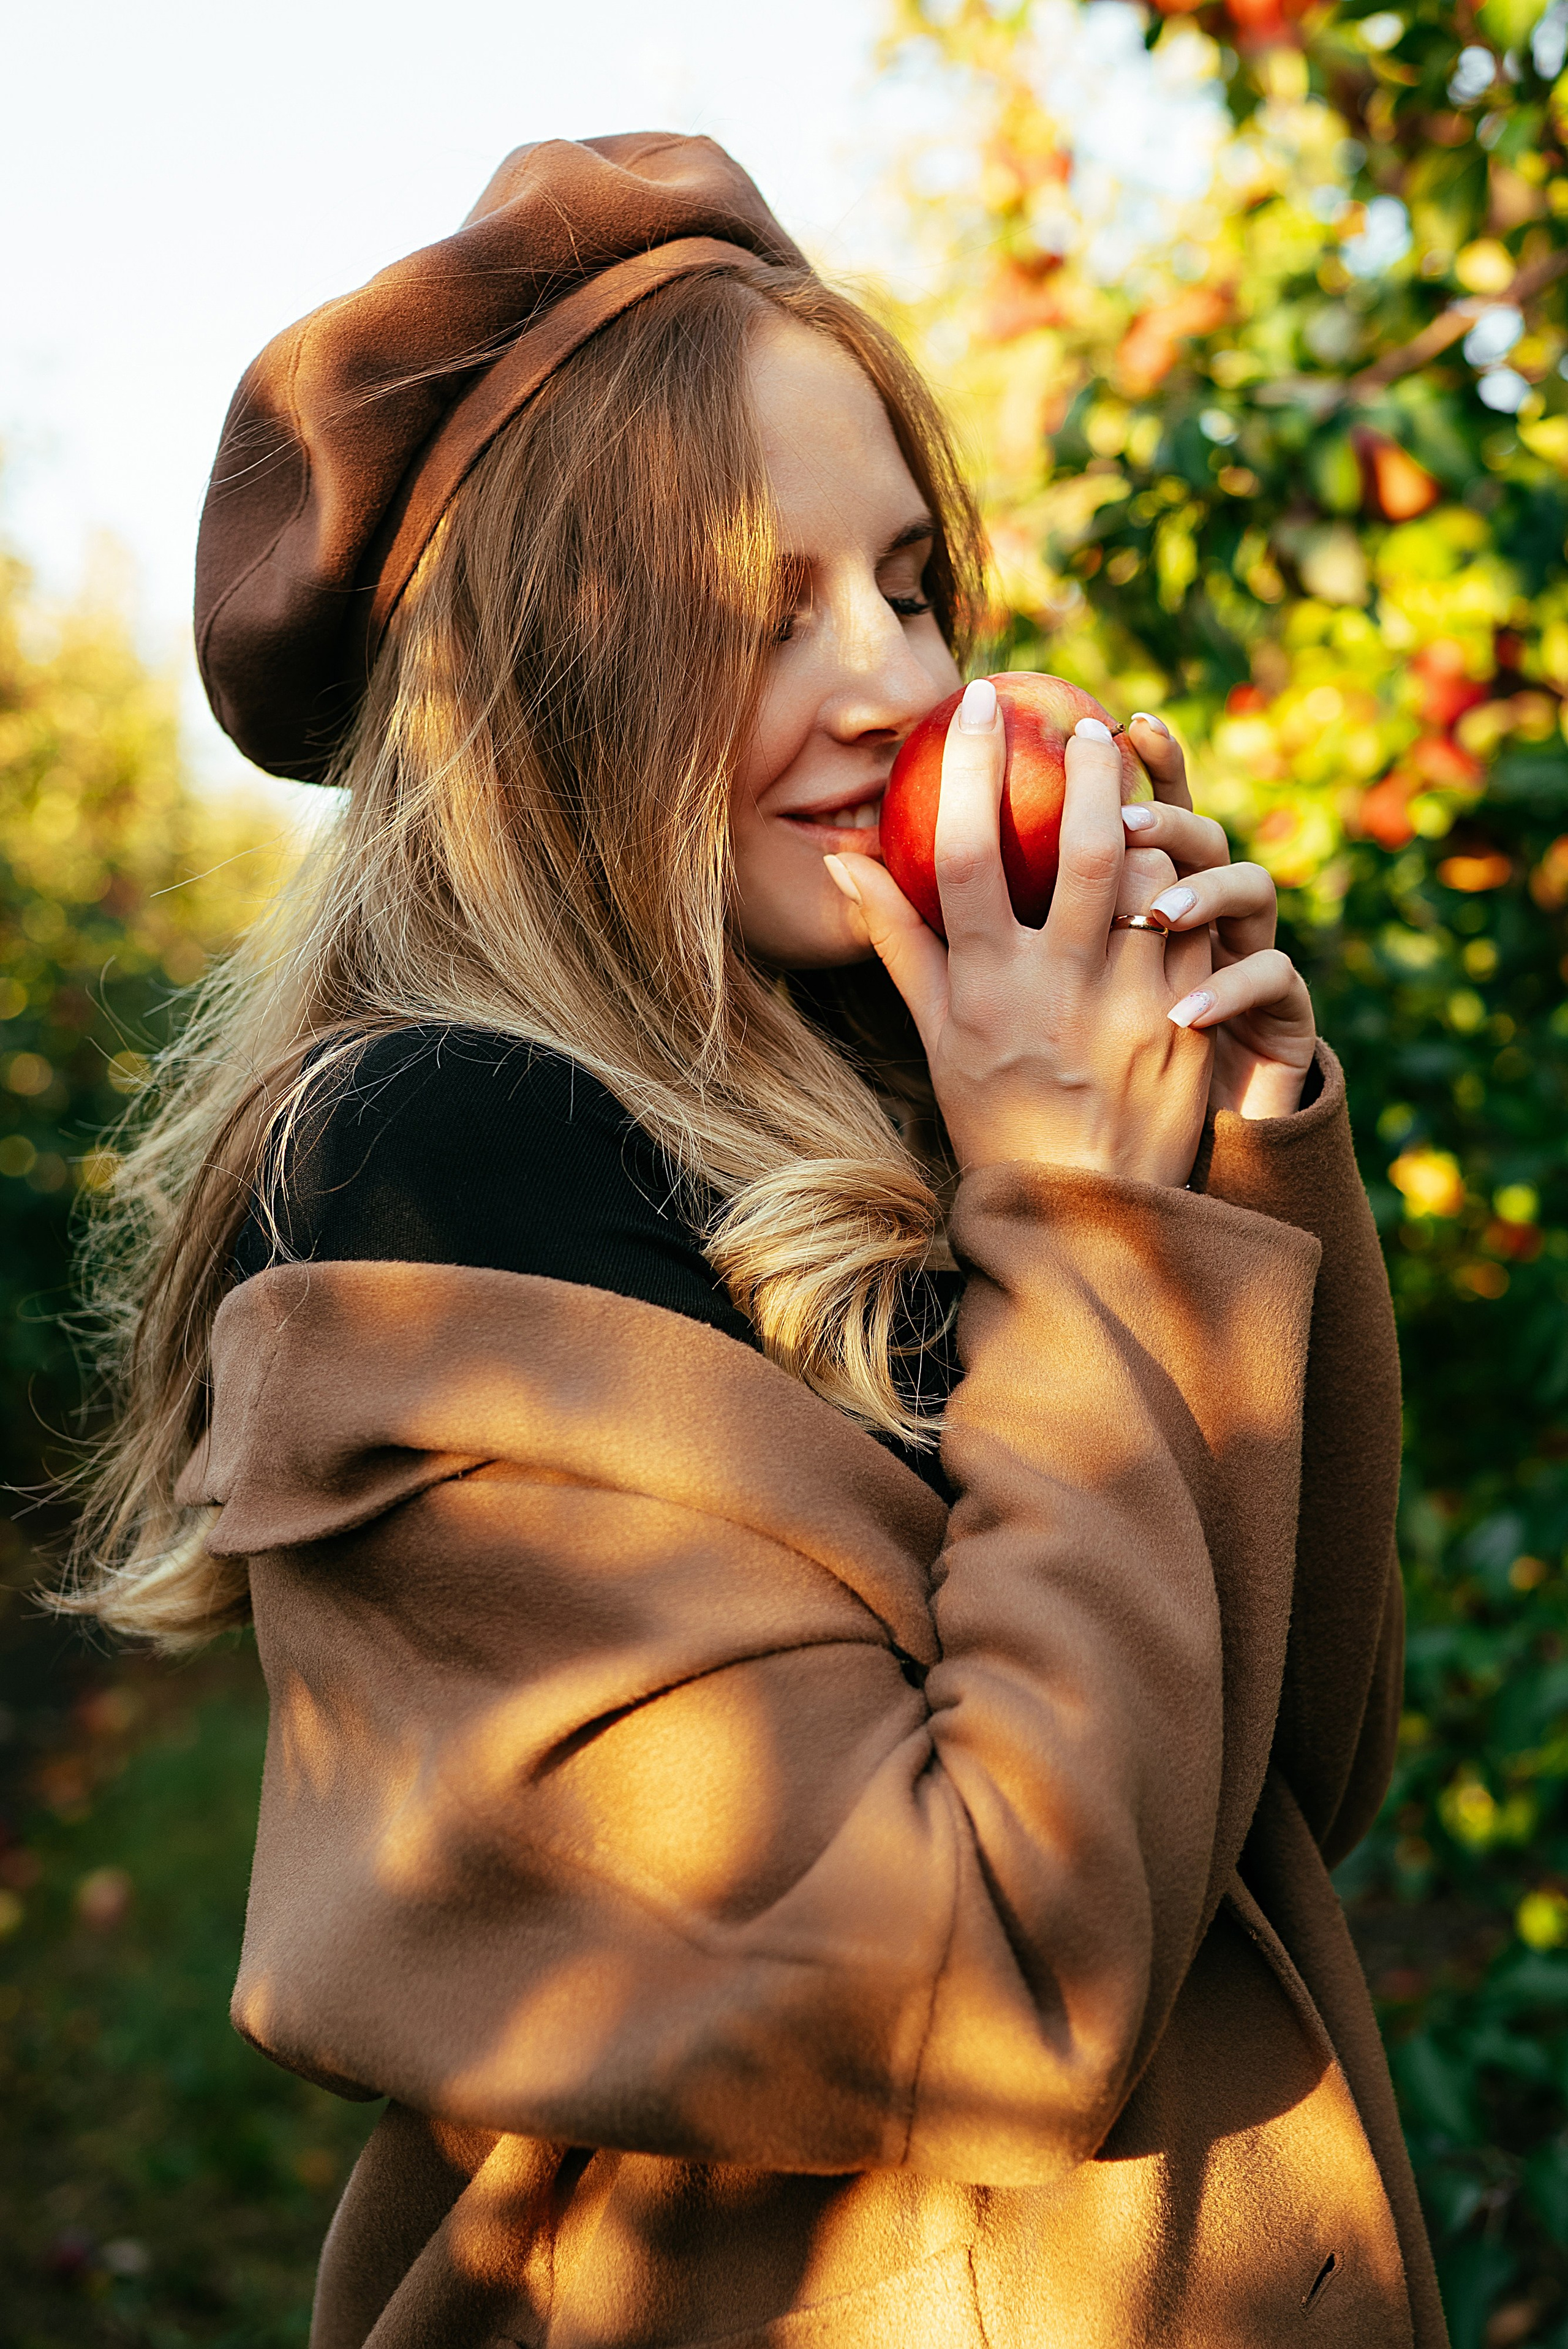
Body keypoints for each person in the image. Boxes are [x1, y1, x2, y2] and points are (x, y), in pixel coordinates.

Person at [65, 135, 1445, 2348]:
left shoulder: (913, 1094)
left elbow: (1296, 1774)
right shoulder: (454, 1162)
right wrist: (1082, 1210)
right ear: (553, 665)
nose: (901, 678)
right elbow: (992, 1986)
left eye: (912, 584)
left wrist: (1237, 1158)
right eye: (768, 600)